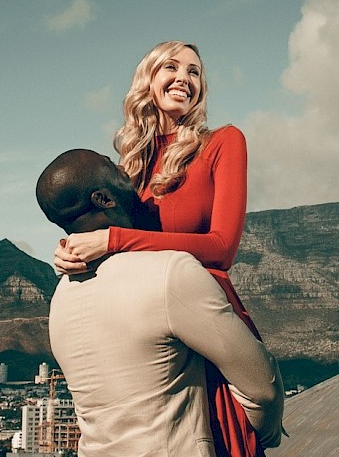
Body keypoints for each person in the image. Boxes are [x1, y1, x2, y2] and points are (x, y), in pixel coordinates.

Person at [54, 41, 261, 456]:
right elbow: (103, 236)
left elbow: (221, 249)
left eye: (195, 72)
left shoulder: (223, 142)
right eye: (171, 67)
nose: (184, 78)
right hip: (145, 341)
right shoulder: (128, 166)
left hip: (206, 331)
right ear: (148, 79)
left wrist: (114, 241)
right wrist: (70, 252)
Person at [36, 149, 283, 456]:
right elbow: (263, 388)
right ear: (104, 199)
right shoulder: (170, 273)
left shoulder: (59, 299)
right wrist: (263, 437)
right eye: (114, 168)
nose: (127, 172)